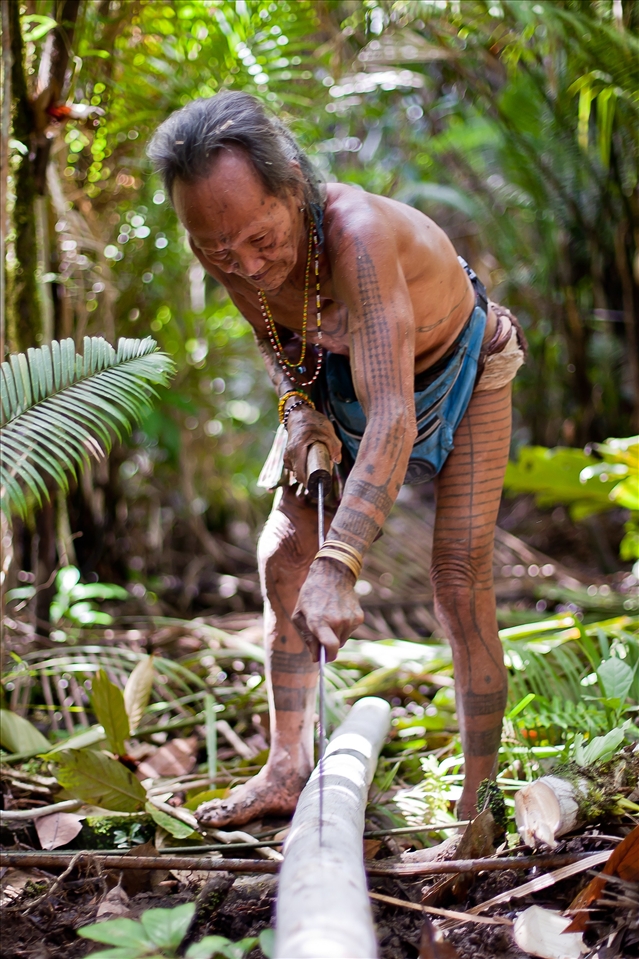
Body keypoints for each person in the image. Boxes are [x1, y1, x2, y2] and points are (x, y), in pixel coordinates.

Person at [148, 91, 526, 828]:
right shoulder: (220, 241)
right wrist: (298, 412)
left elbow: (392, 415)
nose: (246, 265)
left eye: (261, 239)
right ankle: (286, 767)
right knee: (284, 549)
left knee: (456, 576)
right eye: (220, 251)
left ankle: (477, 809)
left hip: (462, 368)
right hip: (333, 372)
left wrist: (340, 563)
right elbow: (272, 338)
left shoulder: (354, 234)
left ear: (291, 186)